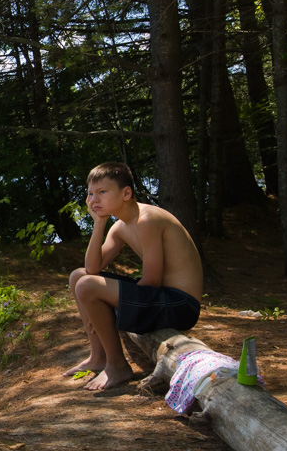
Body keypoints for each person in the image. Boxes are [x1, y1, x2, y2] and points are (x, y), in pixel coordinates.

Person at [65, 162, 203, 391]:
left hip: (179, 304)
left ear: (126, 193)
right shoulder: (119, 226)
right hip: (160, 297)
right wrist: (98, 224)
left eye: (102, 192)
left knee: (87, 285)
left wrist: (109, 305)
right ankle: (98, 356)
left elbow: (152, 280)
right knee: (77, 276)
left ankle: (117, 365)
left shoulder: (147, 219)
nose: (94, 199)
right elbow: (91, 268)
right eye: (90, 193)